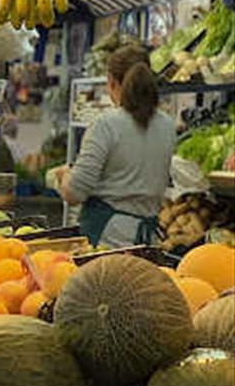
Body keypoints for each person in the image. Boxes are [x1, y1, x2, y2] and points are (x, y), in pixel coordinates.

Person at [55, 45, 175, 248]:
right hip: (147, 240)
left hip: (107, 240)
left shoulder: (106, 124)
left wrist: (64, 175)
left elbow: (74, 193)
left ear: (111, 81)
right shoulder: (167, 125)